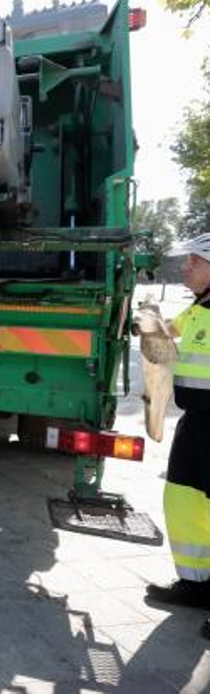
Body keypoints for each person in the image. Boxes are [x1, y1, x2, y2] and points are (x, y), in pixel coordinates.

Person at [146, 233, 210, 636]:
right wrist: (149, 323)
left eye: (194, 261)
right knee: (183, 498)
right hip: (198, 423)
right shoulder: (200, 307)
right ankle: (197, 585)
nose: (185, 268)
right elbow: (169, 331)